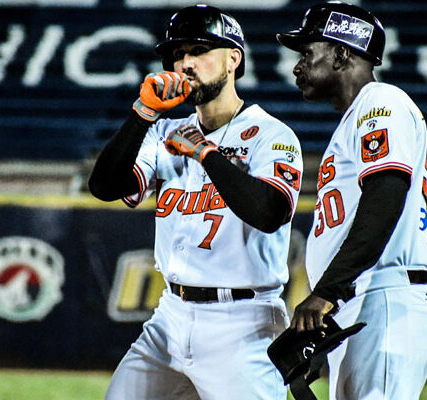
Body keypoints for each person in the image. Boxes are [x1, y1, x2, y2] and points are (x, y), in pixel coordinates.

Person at [88, 4, 303, 399]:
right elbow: (104, 186)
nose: (186, 63)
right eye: (179, 53)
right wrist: (143, 114)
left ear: (233, 59)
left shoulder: (271, 135)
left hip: (244, 322)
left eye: (200, 50)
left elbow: (269, 212)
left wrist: (206, 154)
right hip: (170, 315)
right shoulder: (165, 131)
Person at [276, 2, 427, 399]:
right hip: (365, 300)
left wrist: (326, 291)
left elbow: (385, 197)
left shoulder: (381, 101)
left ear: (340, 53)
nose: (297, 67)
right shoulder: (356, 117)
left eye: (307, 53)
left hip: (384, 297)